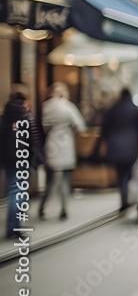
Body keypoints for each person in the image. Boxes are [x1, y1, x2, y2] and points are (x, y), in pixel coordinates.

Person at [1, 84, 45, 238]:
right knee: (18, 192)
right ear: (25, 99)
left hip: (7, 160)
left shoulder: (4, 118)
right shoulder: (27, 117)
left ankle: (13, 226)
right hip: (22, 159)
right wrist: (39, 159)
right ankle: (13, 227)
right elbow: (35, 140)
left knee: (13, 190)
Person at [92, 88, 138, 213]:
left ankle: (124, 199)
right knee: (129, 173)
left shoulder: (112, 109)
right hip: (132, 147)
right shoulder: (134, 109)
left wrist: (101, 145)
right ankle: (129, 196)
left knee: (121, 175)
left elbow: (104, 129)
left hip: (116, 147)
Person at [40, 82, 86, 220]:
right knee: (65, 179)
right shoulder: (68, 107)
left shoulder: (45, 107)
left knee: (51, 180)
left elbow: (43, 127)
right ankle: (64, 209)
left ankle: (43, 206)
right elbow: (80, 126)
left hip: (51, 145)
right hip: (66, 145)